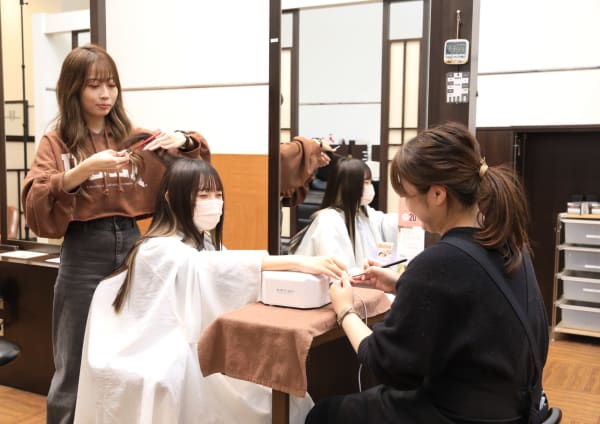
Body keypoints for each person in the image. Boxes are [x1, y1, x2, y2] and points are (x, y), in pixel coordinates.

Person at [305, 122, 550, 423]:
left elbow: (385, 364)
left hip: (461, 415)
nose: (407, 205)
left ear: (437, 194)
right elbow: (470, 302)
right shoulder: (509, 245)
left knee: (323, 414)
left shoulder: (440, 261)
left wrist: (345, 310)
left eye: (408, 195)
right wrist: (401, 284)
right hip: (516, 408)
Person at [74, 157, 346, 424]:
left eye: (218, 195)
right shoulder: (156, 248)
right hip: (154, 348)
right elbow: (211, 268)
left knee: (277, 393)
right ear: (171, 198)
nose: (214, 202)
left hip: (194, 340)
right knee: (197, 382)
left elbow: (226, 272)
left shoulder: (204, 242)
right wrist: (295, 261)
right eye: (203, 195)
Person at [20, 44, 210, 424]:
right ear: (73, 89)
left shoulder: (132, 136)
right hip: (83, 250)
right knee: (73, 361)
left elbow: (196, 164)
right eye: (94, 86)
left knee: (133, 353)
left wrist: (184, 140)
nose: (105, 94)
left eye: (111, 85)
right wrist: (83, 170)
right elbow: (36, 198)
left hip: (134, 245)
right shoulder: (56, 141)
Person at [288, 157, 398, 273]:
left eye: (370, 182)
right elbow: (337, 269)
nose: (370, 187)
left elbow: (385, 223)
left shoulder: (362, 212)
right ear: (349, 186)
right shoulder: (329, 220)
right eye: (366, 183)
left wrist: (408, 216)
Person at [280, 135, 334, 206]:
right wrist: (316, 143)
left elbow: (294, 197)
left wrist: (313, 165)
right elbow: (283, 153)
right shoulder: (280, 152)